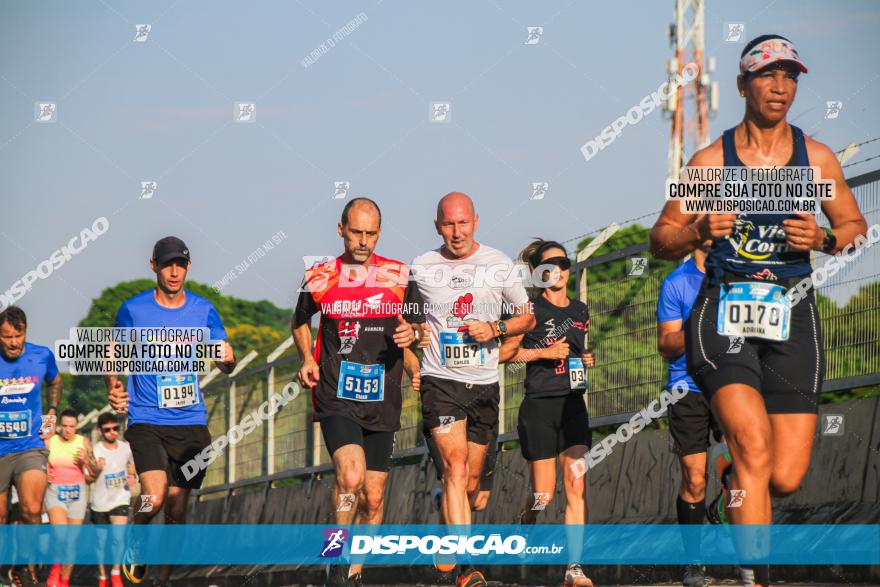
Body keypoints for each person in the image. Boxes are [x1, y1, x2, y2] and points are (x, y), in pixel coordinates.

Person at [649, 35, 867, 587]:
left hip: (791, 313)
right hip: (723, 312)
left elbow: (856, 229)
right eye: (769, 76)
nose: (781, 87)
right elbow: (660, 237)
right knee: (752, 443)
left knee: (785, 475)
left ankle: (728, 476)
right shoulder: (709, 161)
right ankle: (755, 576)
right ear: (744, 84)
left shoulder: (814, 157)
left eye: (791, 77)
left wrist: (823, 237)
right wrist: (696, 230)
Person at [292, 197, 426, 587]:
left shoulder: (399, 276)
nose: (362, 241)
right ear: (341, 229)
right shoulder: (320, 275)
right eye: (355, 232)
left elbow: (418, 329)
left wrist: (412, 337)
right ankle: (334, 563)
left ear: (379, 233)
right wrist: (306, 358)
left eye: (370, 233)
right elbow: (300, 322)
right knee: (349, 477)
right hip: (336, 394)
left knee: (373, 497)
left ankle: (354, 575)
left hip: (383, 397)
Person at [411, 192, 535, 587]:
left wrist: (495, 329)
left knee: (470, 487)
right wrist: (414, 338)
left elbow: (526, 317)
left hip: (483, 384)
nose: (456, 231)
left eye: (463, 223)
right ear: (437, 226)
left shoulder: (497, 264)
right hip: (440, 381)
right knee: (456, 467)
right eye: (448, 224)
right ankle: (465, 572)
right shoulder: (423, 266)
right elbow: (408, 317)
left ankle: (443, 508)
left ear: (475, 221)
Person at [107, 236, 237, 587]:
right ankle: (137, 536)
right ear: (154, 266)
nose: (174, 271)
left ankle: (162, 581)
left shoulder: (203, 309)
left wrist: (226, 359)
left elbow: (224, 359)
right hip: (147, 418)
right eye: (167, 264)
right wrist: (113, 387)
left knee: (177, 511)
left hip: (191, 422)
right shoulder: (133, 310)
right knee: (155, 494)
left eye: (180, 263)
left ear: (189, 266)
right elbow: (113, 352)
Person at [503, 239, 594, 587]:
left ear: (569, 268)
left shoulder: (581, 310)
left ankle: (574, 569)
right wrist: (541, 354)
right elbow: (505, 356)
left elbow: (577, 353)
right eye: (547, 264)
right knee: (543, 494)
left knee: (576, 484)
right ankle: (526, 522)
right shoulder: (530, 312)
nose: (555, 269)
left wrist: (587, 360)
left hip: (572, 403)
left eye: (561, 262)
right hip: (539, 406)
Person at [657, 244, 723, 587]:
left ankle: (726, 509)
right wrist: (699, 323)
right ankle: (693, 562)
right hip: (688, 388)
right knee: (695, 479)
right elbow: (666, 344)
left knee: (744, 467)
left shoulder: (737, 273)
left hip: (732, 383)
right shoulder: (676, 283)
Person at [0, 306, 62, 587]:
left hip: (30, 447)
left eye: (18, 335)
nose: (13, 342)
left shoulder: (41, 355)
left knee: (31, 510)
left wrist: (51, 411)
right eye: (6, 337)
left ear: (26, 331)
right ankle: (4, 569)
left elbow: (56, 382)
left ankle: (24, 567)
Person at [44, 410, 99, 587]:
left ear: (76, 427)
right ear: (60, 426)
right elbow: (39, 464)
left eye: (72, 427)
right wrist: (44, 474)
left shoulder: (83, 442)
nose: (68, 430)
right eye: (65, 426)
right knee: (60, 536)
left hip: (78, 494)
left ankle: (65, 581)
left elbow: (95, 473)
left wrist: (87, 461)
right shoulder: (50, 441)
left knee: (71, 542)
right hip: (55, 493)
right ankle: (55, 569)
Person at [89, 412, 137, 587]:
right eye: (108, 430)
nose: (112, 432)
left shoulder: (126, 448)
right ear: (101, 431)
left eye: (115, 428)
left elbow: (132, 466)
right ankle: (103, 576)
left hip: (120, 498)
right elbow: (89, 477)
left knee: (118, 538)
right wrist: (97, 469)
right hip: (100, 503)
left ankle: (116, 573)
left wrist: (132, 476)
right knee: (101, 543)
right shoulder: (95, 450)